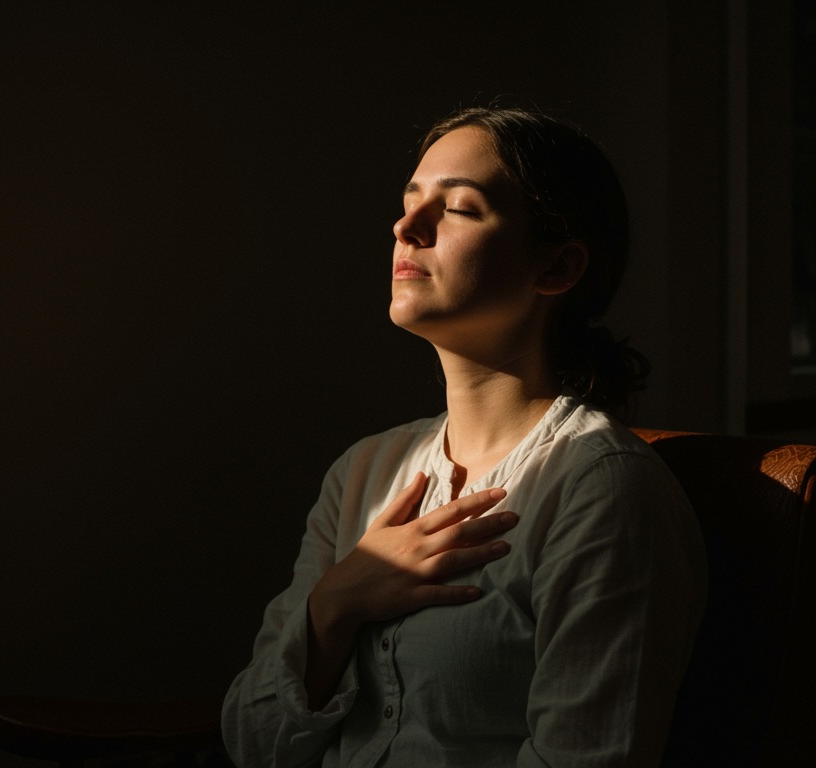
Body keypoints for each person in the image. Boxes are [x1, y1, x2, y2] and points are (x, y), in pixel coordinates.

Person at [221, 106, 706, 767]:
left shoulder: (601, 490)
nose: (405, 227)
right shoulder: (363, 473)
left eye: (459, 207)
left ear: (556, 267)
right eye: (409, 201)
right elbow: (254, 745)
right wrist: (335, 603)